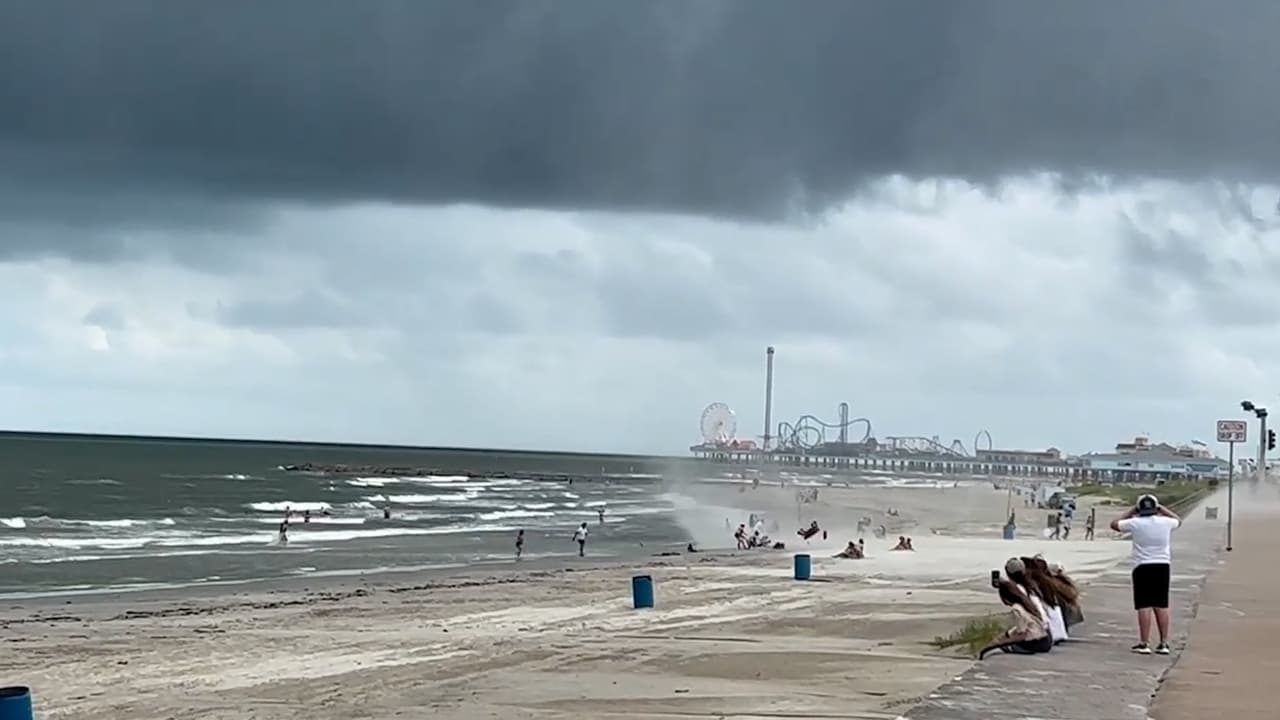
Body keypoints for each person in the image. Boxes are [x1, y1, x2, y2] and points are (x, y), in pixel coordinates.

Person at [1111, 494, 1181, 655]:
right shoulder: (1166, 522)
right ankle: (1164, 643)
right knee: (1162, 605)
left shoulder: (1135, 523)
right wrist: (1161, 508)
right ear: (1155, 508)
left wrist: (1131, 511)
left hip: (1142, 566)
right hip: (1163, 566)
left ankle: (1145, 643)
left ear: (1139, 508)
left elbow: (1114, 524)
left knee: (1144, 605)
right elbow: (1178, 520)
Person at [978, 580, 1053, 659]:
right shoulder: (1026, 604)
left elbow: (1022, 633)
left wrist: (1002, 641)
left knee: (996, 649)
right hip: (1044, 640)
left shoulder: (1016, 609)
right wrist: (1009, 633)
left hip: (1033, 644)